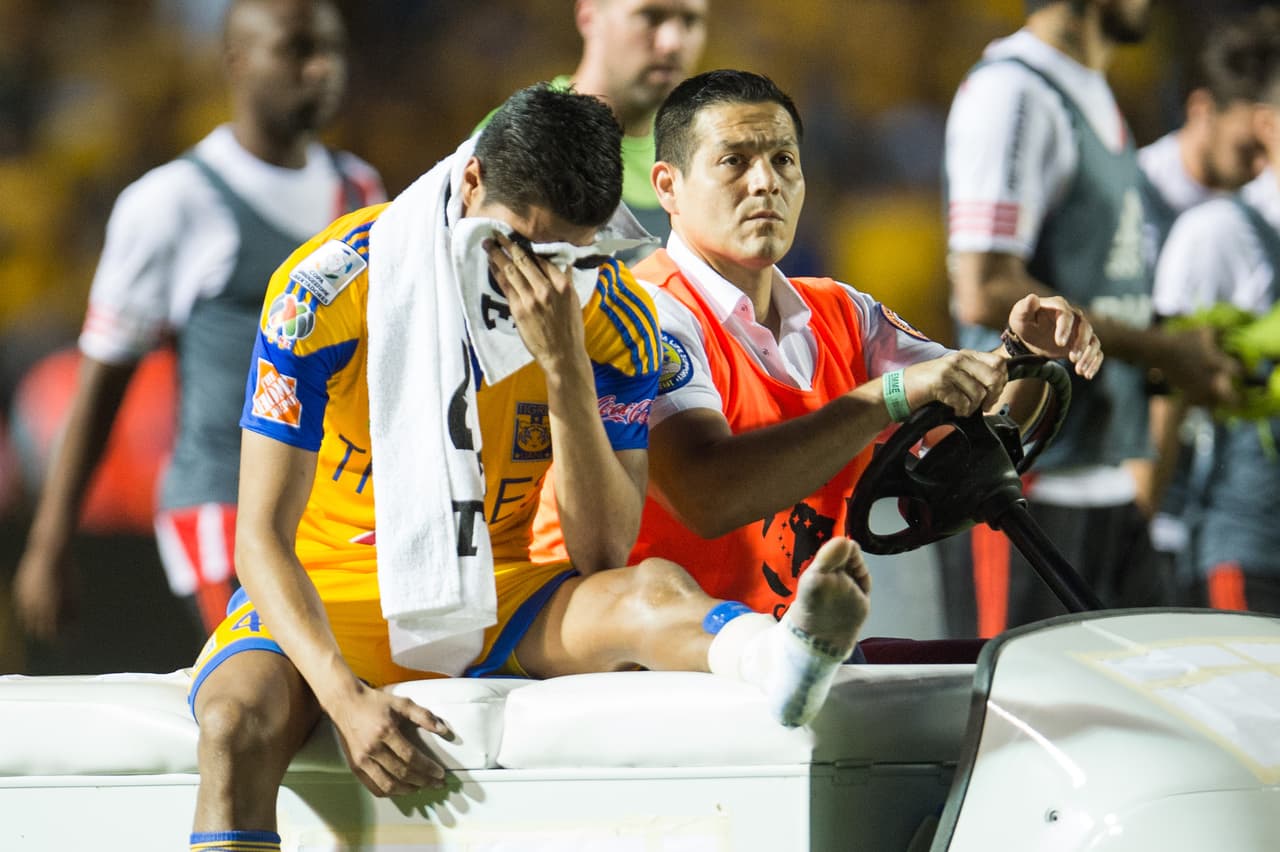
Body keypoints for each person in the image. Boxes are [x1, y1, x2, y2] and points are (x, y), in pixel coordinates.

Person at [187, 84, 873, 852]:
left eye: (563, 256)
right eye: (512, 244)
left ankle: (780, 662)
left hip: (494, 587)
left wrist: (565, 367)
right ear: (471, 182)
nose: (534, 278)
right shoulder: (329, 291)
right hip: (328, 591)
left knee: (647, 591)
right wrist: (345, 701)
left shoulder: (605, 308)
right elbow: (259, 542)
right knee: (232, 723)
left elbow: (601, 554)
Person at [530, 69, 1102, 643]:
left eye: (784, 160)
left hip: (786, 655)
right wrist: (887, 398)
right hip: (641, 667)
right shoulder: (644, 312)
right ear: (667, 186)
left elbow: (972, 445)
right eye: (734, 161)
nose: (766, 184)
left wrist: (1021, 354)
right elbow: (709, 495)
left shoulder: (845, 313)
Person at [12, 0, 384, 640]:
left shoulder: (360, 191)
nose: (322, 69)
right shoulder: (173, 202)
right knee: (276, 672)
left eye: (333, 50)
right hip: (223, 501)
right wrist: (50, 543)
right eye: (297, 50)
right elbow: (103, 383)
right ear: (236, 62)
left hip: (333, 501)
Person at [937, 0, 1240, 638]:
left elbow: (1100, 284)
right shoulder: (1012, 90)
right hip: (1021, 485)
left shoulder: (1089, 87)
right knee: (1009, 722)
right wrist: (1165, 349)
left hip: (1103, 477)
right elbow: (983, 287)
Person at [1140, 9, 1280, 598]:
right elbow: (1164, 397)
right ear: (1269, 126)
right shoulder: (1217, 231)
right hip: (1245, 547)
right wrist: (1138, 532)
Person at [476, 0, 708, 248]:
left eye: (690, 20)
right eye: (649, 16)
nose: (672, 42)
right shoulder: (517, 138)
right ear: (589, 18)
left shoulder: (705, 152)